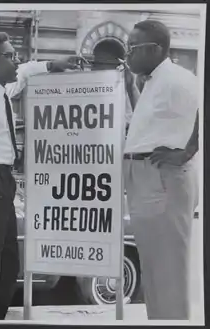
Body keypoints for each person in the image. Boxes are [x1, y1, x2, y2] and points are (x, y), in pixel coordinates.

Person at [0, 31, 84, 320]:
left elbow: (25, 71)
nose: (17, 61)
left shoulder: (0, 90)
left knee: (6, 262)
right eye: (10, 56)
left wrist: (53, 64)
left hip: (1, 182)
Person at [122, 20, 199, 320]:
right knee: (154, 271)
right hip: (147, 180)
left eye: (133, 48)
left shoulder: (178, 79)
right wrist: (130, 88)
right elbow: (151, 123)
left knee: (167, 273)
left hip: (162, 181)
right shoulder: (154, 81)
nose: (127, 55)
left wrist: (188, 150)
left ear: (154, 49)